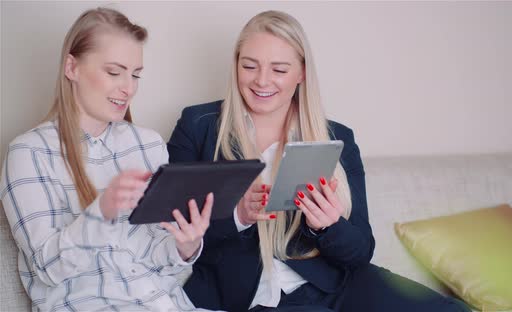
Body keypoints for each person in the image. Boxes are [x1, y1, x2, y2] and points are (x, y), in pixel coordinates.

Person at [168, 10, 471, 312]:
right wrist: (237, 216)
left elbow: (361, 250)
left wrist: (328, 227)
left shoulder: (336, 137)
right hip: (250, 295)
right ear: (236, 66)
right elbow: (166, 224)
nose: (262, 81)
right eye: (249, 66)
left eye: (279, 70)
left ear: (301, 73)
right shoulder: (199, 126)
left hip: (338, 285)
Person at [0, 7, 214, 311]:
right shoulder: (28, 153)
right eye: (114, 72)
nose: (129, 87)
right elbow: (47, 270)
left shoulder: (148, 144)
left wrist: (185, 245)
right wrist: (101, 212)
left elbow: (158, 261)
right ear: (71, 68)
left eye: (136, 74)